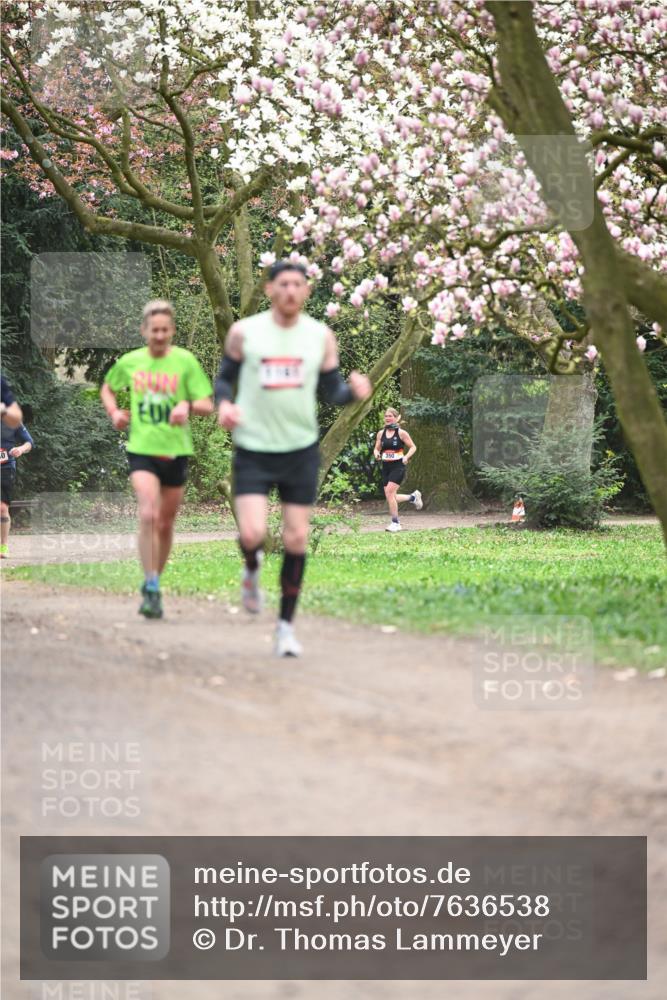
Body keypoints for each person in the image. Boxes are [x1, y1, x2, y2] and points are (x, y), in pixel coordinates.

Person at [215, 260, 372, 657]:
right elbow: (223, 379)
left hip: (300, 448)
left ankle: (285, 627)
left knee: (296, 536)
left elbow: (331, 391)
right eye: (282, 284)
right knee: (252, 534)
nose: (289, 291)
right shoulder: (244, 333)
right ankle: (251, 568)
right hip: (253, 446)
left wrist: (354, 392)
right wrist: (224, 405)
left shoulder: (320, 337)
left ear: (307, 292)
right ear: (269, 289)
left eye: (298, 284)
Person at [101, 300, 213, 619]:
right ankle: (150, 584)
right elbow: (107, 388)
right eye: (155, 330)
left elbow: (207, 403)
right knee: (148, 513)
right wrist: (113, 412)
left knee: (165, 523)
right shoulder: (132, 361)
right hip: (142, 449)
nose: (160, 335)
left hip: (176, 451)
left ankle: (154, 581)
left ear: (172, 331)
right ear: (144, 331)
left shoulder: (185, 361)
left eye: (165, 330)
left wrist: (187, 407)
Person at [373, 407, 422, 532]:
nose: (388, 418)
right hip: (386, 467)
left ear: (395, 418)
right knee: (391, 496)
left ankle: (395, 523)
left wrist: (406, 456)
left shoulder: (401, 433)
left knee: (389, 494)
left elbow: (413, 447)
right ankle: (413, 498)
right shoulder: (380, 433)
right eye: (386, 416)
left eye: (390, 416)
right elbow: (377, 448)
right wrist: (376, 454)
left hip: (398, 466)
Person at [0, 419, 33, 559]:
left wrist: (20, 449)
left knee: (2, 508)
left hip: (5, 468)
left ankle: (3, 546)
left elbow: (29, 442)